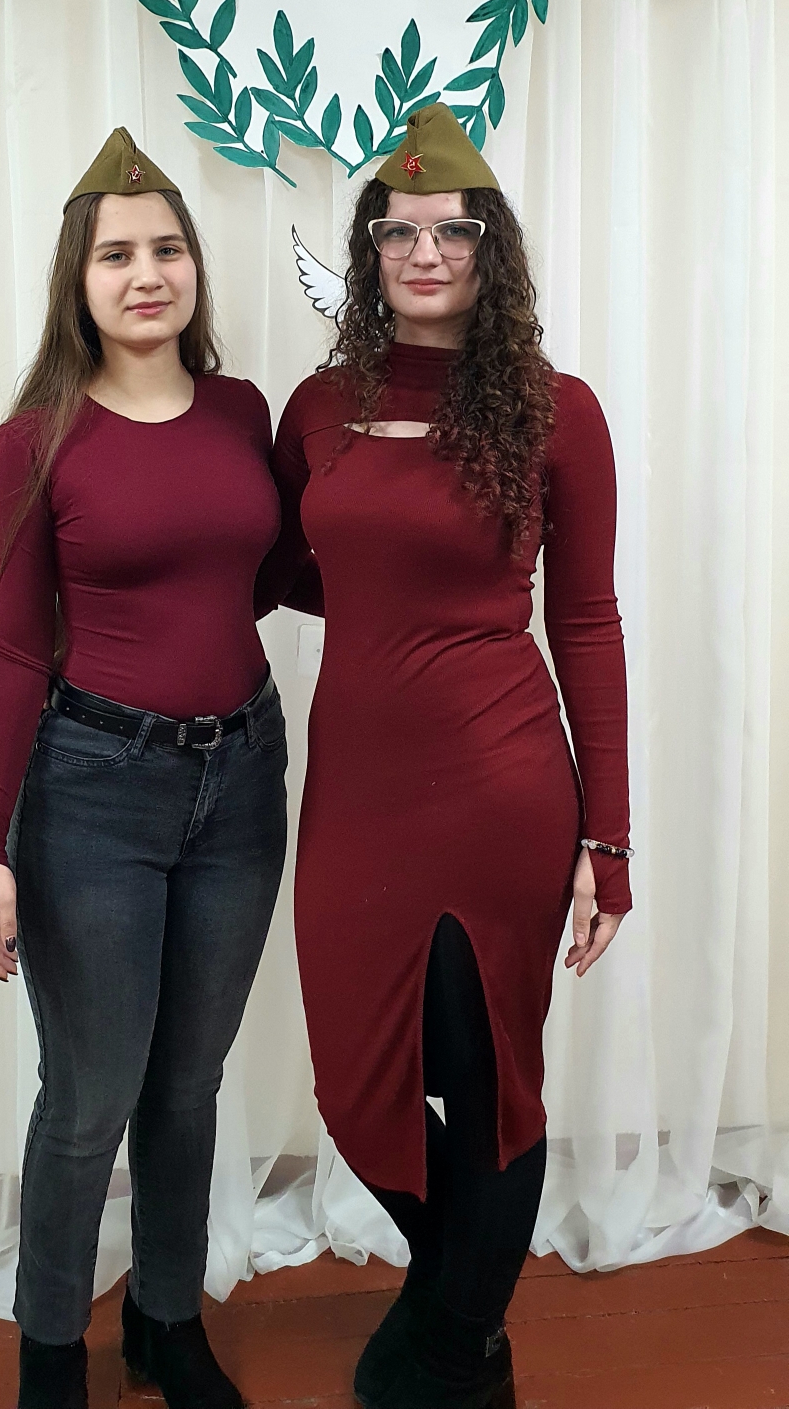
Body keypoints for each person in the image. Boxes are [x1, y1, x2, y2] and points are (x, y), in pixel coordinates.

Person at [257, 103, 632, 1409]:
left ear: (489, 250)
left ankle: (459, 1344)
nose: (425, 252)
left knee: (486, 1081)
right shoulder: (319, 408)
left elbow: (586, 620)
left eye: (452, 231)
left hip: (499, 786)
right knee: (354, 1079)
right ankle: (457, 1301)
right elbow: (288, 567)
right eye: (399, 231)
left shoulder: (556, 412)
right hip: (358, 789)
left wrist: (607, 836)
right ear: (369, 250)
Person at [0, 129, 288, 1409]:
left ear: (194, 266)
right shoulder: (36, 440)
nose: (146, 274)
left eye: (166, 249)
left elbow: (272, 575)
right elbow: (10, 651)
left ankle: (167, 1320)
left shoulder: (242, 413)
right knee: (90, 1096)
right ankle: (51, 1349)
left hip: (242, 778)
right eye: (116, 255)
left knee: (189, 1085)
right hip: (93, 790)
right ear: (78, 279)